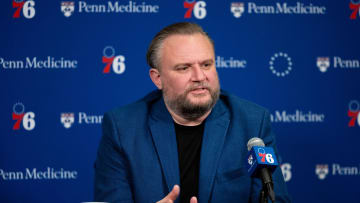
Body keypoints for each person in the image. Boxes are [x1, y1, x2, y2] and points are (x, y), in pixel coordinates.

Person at [94, 22, 291, 203]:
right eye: (184, 68)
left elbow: (275, 199)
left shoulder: (252, 122)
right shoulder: (123, 128)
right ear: (157, 78)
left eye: (206, 64)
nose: (199, 76)